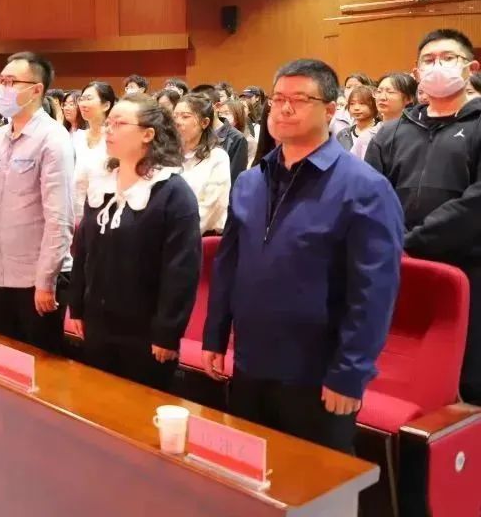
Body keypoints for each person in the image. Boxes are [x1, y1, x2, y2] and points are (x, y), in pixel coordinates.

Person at [203, 58, 404, 454]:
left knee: (316, 483)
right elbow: (229, 265)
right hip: (251, 360)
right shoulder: (251, 181)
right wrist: (215, 335)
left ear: (329, 110)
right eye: (278, 98)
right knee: (250, 473)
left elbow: (373, 293)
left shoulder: (365, 188)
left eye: (299, 99)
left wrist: (350, 372)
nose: (284, 108)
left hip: (316, 372)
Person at [366, 29, 481, 404]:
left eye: (448, 58)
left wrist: (411, 241)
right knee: (397, 375)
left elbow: (475, 203)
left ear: (471, 68)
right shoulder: (390, 132)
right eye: (429, 60)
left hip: (468, 270)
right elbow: (370, 195)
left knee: (467, 381)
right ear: (416, 74)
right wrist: (391, 243)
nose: (437, 66)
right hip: (397, 268)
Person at [69, 93, 201, 392]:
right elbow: (84, 251)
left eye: (119, 123)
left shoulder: (173, 192)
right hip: (98, 322)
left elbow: (181, 271)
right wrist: (76, 306)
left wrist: (167, 333)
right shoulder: (102, 185)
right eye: (109, 123)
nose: (109, 129)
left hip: (145, 333)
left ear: (148, 134)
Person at [0, 52, 74, 354]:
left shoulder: (53, 139)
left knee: (39, 366)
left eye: (11, 82)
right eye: (0, 81)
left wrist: (45, 280)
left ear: (36, 90)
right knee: (5, 360)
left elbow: (59, 219)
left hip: (36, 280)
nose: (2, 88)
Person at [174, 94, 231, 235]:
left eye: (185, 116)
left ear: (204, 123)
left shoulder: (217, 157)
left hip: (199, 236)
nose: (177, 122)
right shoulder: (167, 155)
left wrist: (175, 234)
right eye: (174, 116)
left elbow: (211, 209)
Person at [72, 81, 117, 218]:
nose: (83, 104)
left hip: (105, 212)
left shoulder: (114, 138)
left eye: (89, 98)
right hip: (76, 212)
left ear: (106, 105)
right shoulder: (77, 137)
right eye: (81, 99)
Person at [192, 84, 249, 182]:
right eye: (193, 108)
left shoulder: (236, 139)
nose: (197, 112)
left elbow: (234, 180)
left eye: (202, 106)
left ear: (217, 106)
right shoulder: (194, 134)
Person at [336, 85, 380, 160]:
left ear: (374, 105)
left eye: (362, 103)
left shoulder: (380, 132)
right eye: (352, 103)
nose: (356, 108)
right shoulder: (343, 134)